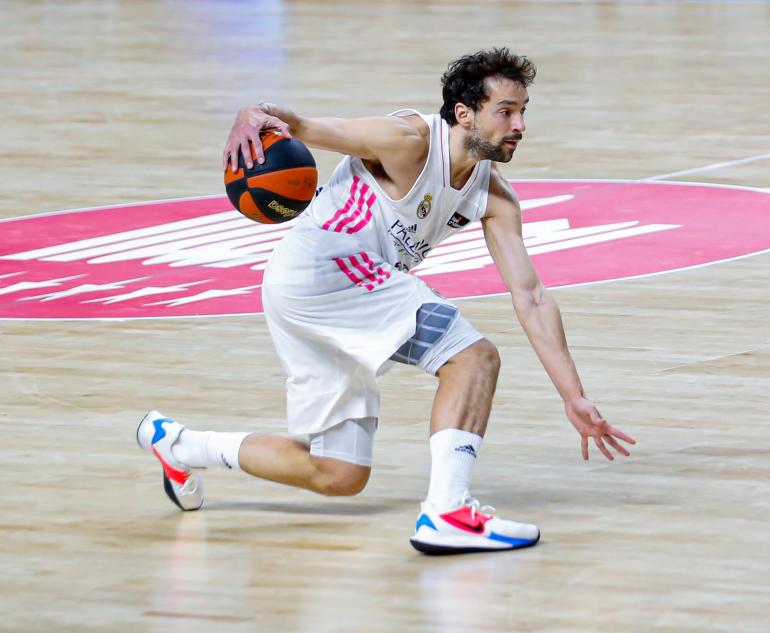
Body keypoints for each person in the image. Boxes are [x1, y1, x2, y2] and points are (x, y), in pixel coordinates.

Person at [136, 47, 636, 554]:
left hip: (309, 289)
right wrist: (252, 114)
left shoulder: (494, 196)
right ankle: (449, 512)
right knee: (472, 357)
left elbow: (530, 297)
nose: (520, 124)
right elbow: (305, 125)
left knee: (340, 474)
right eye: (505, 111)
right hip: (325, 267)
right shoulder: (408, 140)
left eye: (523, 111)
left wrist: (572, 395)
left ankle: (178, 443)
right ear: (464, 113)